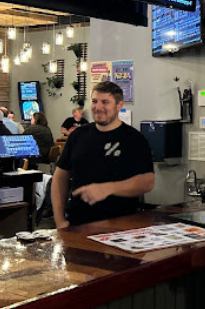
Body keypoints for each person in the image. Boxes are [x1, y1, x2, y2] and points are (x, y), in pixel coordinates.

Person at [52, 81, 154, 228]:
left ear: (119, 105)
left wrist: (108, 188)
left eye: (105, 102)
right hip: (78, 223)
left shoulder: (133, 139)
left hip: (120, 225)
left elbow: (147, 182)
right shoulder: (78, 136)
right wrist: (59, 220)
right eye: (94, 101)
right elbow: (60, 177)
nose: (98, 107)